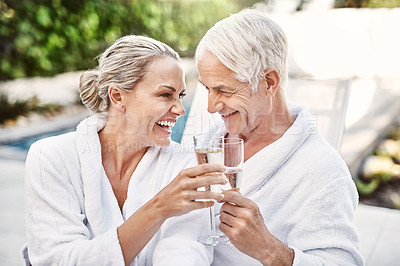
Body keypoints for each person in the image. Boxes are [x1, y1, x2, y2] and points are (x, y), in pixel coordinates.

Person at [24, 35, 228, 265]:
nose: (180, 109)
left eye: (180, 96)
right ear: (118, 96)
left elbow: (186, 253)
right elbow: (58, 260)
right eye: (165, 94)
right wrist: (160, 207)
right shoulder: (53, 157)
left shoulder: (185, 165)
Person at [195, 9, 364, 266]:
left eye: (222, 89)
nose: (211, 106)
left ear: (269, 82)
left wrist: (269, 251)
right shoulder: (211, 140)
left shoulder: (324, 173)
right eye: (207, 88)